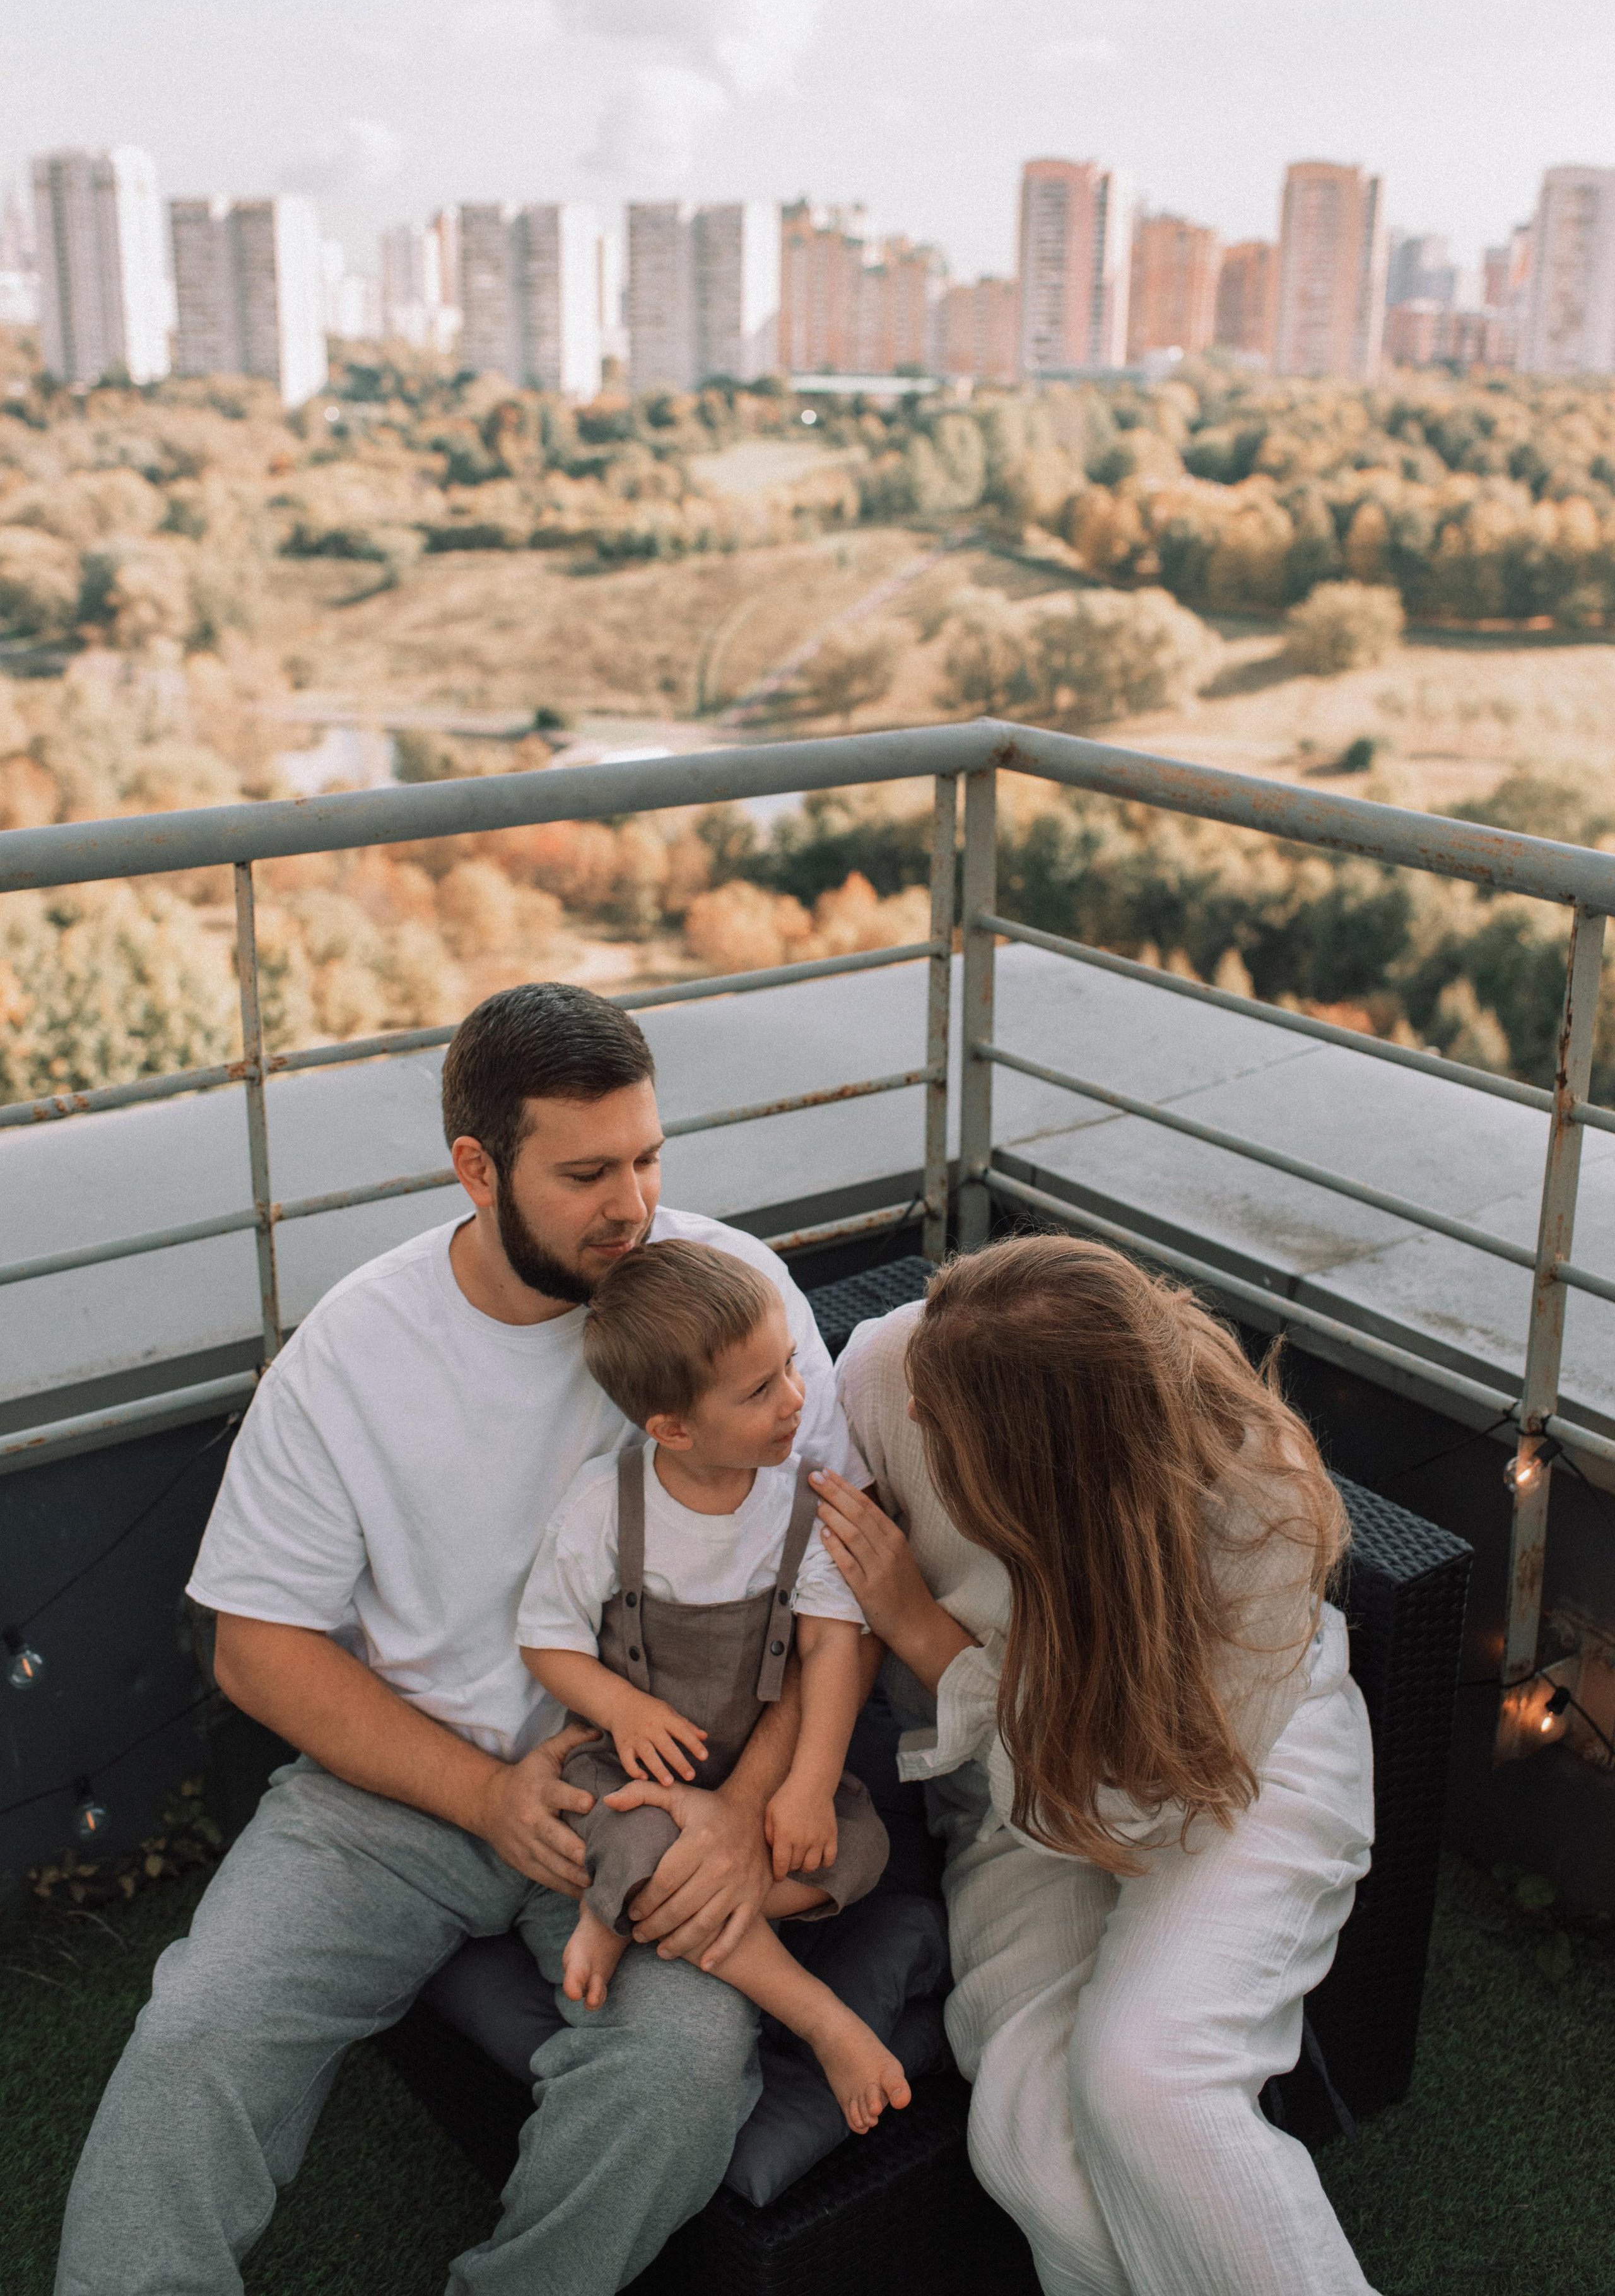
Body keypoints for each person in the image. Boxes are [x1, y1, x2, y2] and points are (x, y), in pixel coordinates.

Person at [55, 982, 871, 2296]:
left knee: (676, 2074)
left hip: (653, 1798)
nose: (633, 1206)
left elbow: (839, 1583)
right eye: (586, 1174)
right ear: (478, 1169)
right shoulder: (354, 1350)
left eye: (649, 1158)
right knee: (203, 2025)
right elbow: (256, 1648)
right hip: (404, 1782)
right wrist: (484, 1797)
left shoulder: (736, 1299)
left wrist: (742, 1808)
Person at [813, 1233, 1378, 2296]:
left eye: (946, 1416)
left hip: (1222, 1781)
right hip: (1003, 1789)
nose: (913, 1408)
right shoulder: (895, 1366)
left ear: (1049, 1473)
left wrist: (927, 1636)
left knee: (1146, 2079)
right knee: (1037, 2153)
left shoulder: (1256, 1502)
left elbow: (1136, 1813)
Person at [519, 1238, 908, 2134]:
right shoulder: (605, 1509)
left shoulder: (802, 1506)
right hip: (632, 1781)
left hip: (755, 1784)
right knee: (630, 1833)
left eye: (790, 1367)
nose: (796, 1398)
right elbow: (546, 1641)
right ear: (674, 1430)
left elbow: (832, 1649)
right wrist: (623, 1707)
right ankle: (822, 2018)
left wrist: (808, 1785)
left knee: (859, 1850)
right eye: (761, 1389)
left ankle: (630, 1908)